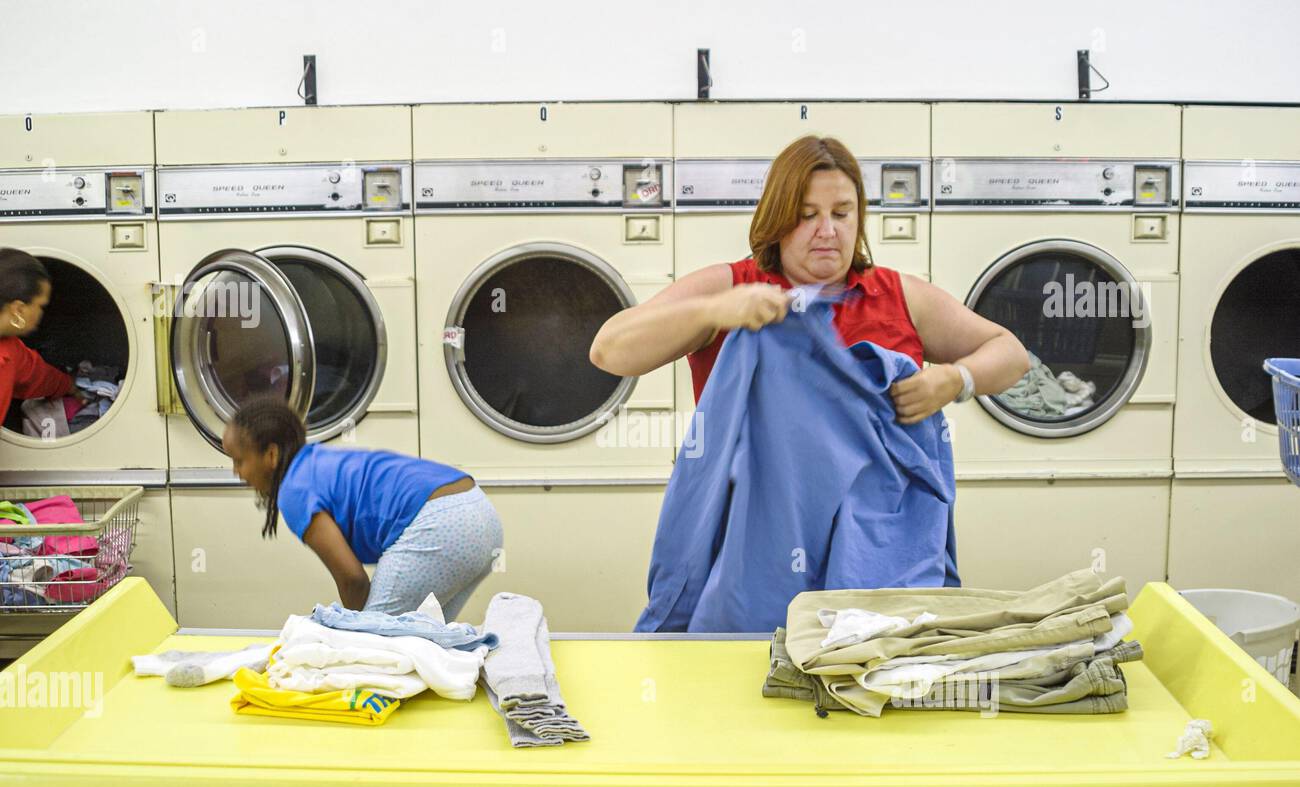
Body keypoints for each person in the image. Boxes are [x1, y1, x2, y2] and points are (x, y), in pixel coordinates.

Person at [589, 135, 1029, 425]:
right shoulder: (732, 287)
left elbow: (1010, 354)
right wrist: (710, 312)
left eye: (841, 214)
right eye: (807, 216)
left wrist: (954, 380)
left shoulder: (897, 295)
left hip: (875, 536)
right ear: (778, 218)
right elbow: (610, 350)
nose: (828, 230)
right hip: (759, 527)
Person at [221, 395, 503, 619]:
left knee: (372, 651)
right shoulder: (315, 461)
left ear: (270, 455)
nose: (236, 472)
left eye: (239, 461)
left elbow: (353, 579)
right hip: (479, 512)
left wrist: (355, 636)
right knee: (423, 640)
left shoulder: (294, 491)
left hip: (440, 525)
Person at [0, 249, 79, 421]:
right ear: (18, 309)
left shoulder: (9, 349)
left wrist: (70, 386)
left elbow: (37, 376)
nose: (42, 313)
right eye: (41, 306)